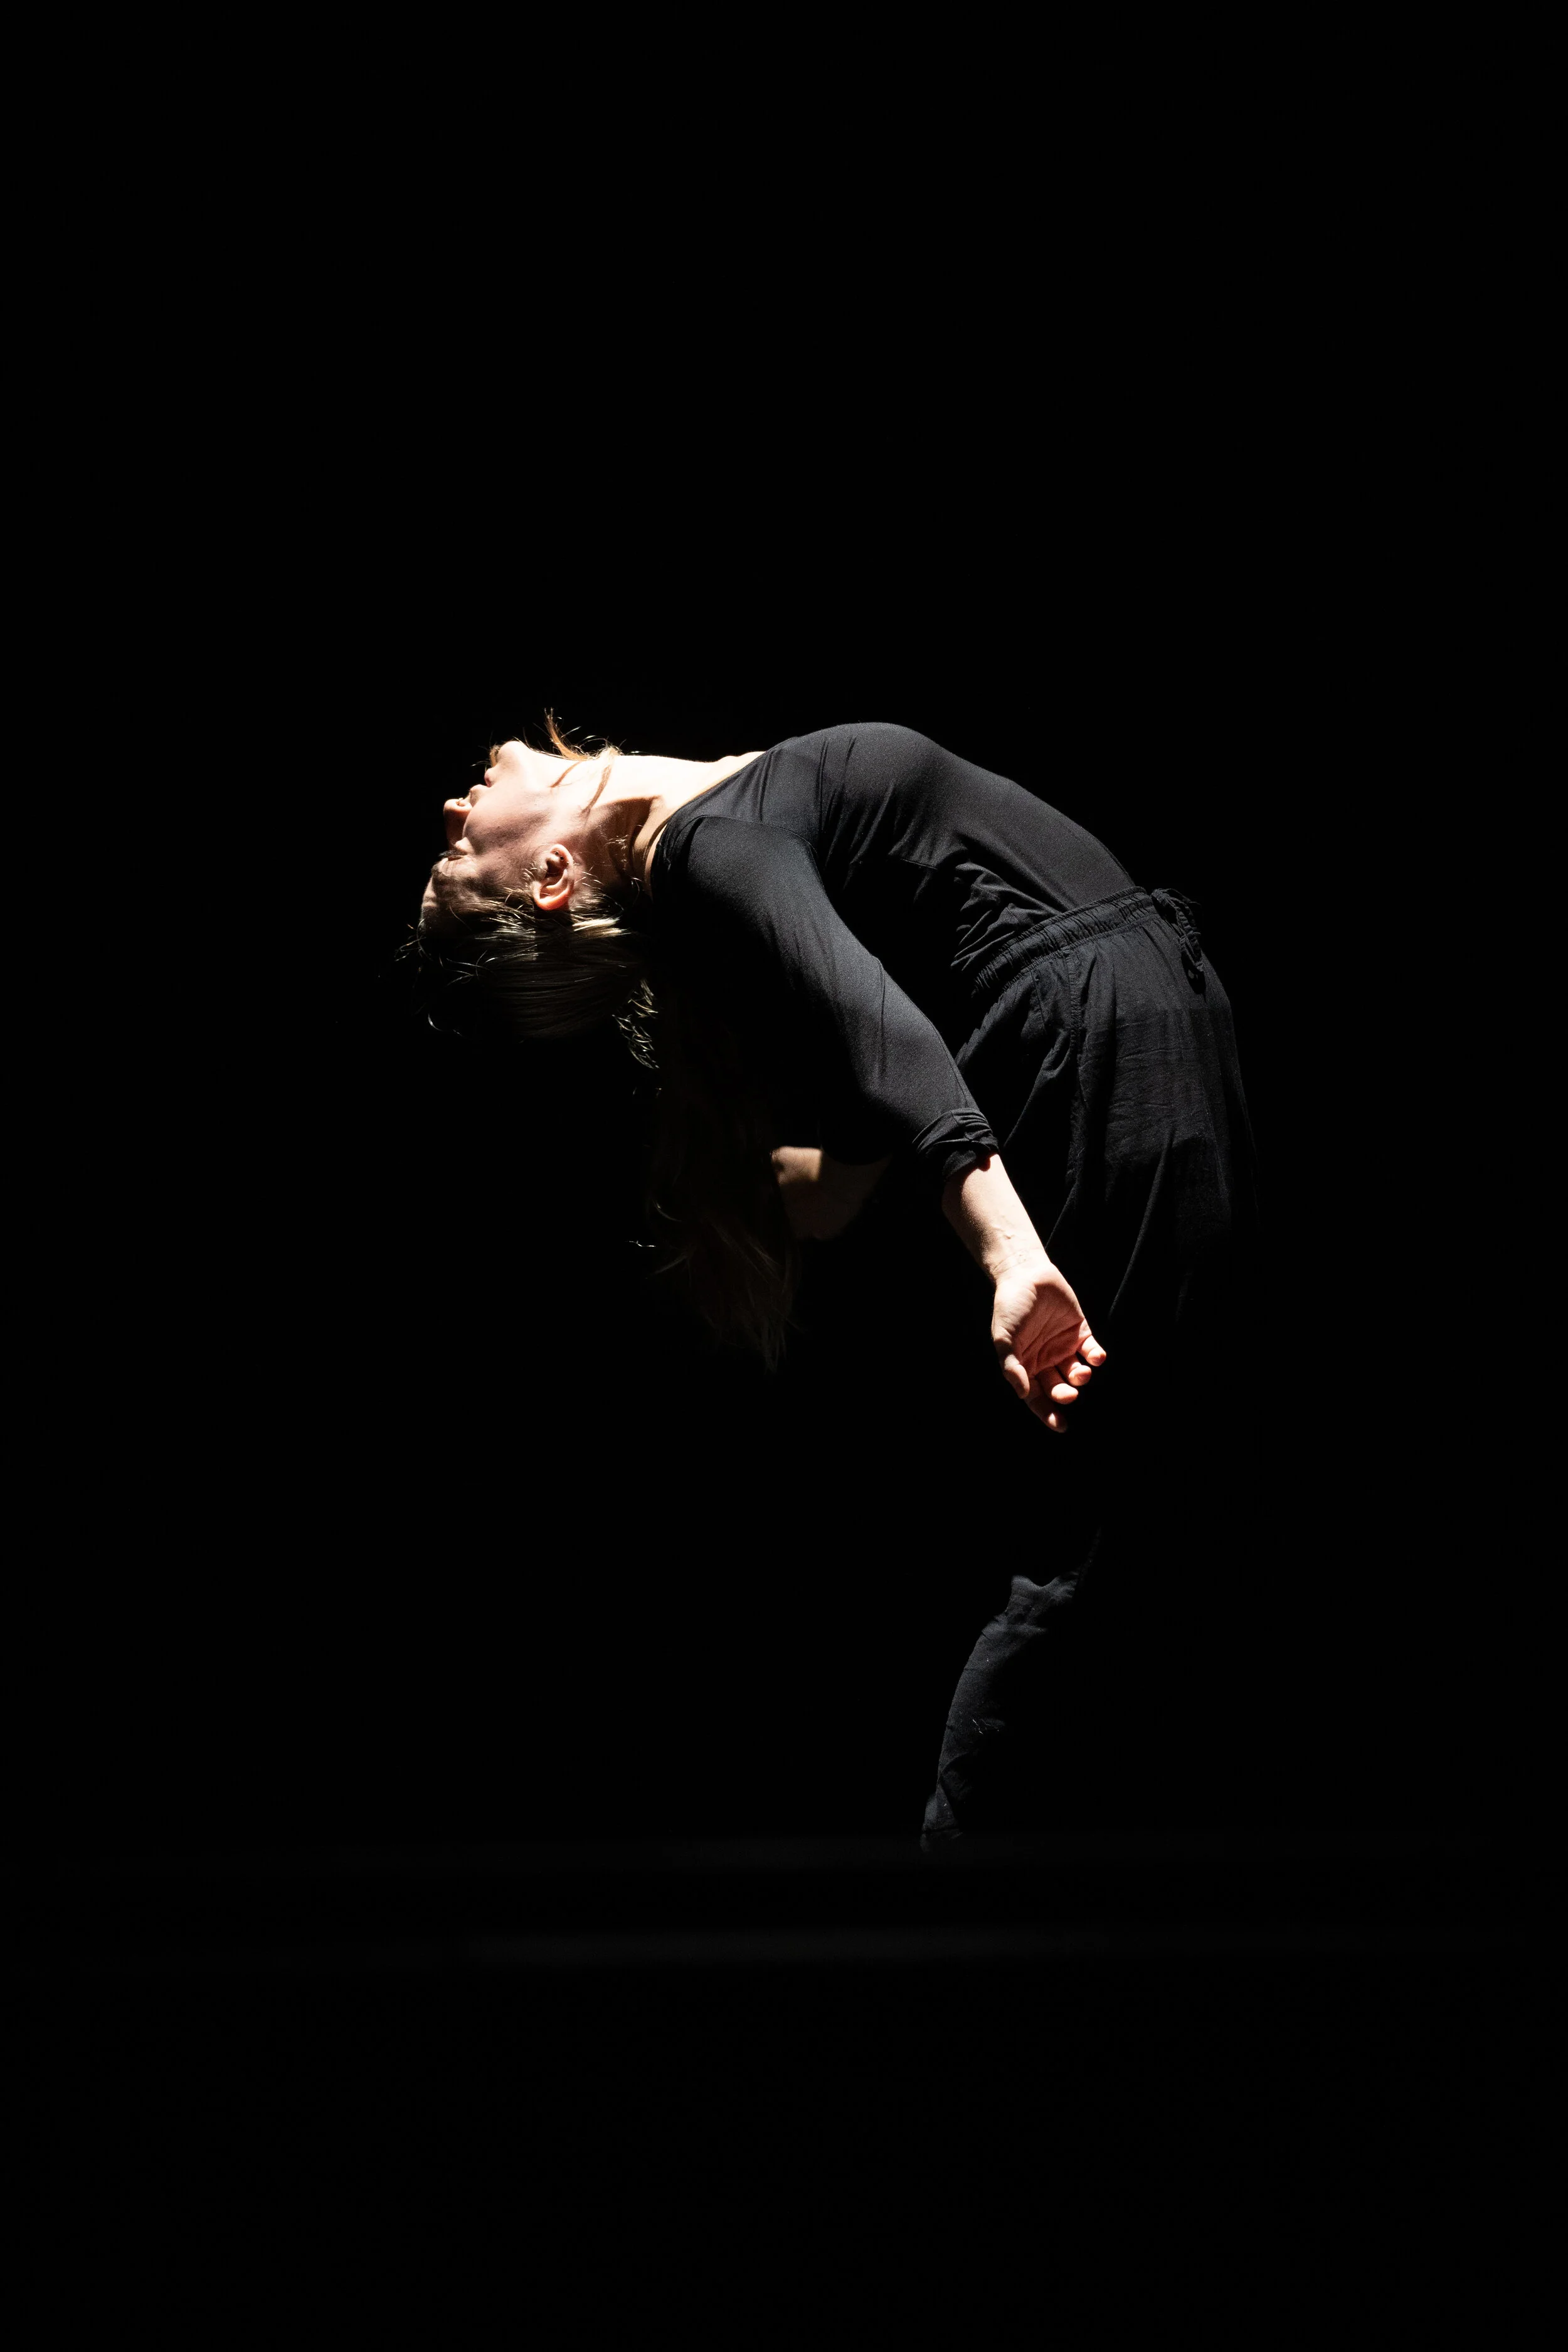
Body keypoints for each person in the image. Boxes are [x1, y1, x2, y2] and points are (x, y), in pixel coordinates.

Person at [411, 719, 1261, 1850]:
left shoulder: (720, 819)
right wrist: (1010, 1253)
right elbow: (875, 1022)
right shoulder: (704, 846)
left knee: (1155, 1515)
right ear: (553, 877)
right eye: (459, 856)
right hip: (1109, 1045)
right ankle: (974, 1867)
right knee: (1115, 1533)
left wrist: (851, 1173)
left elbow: (883, 1009)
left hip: (1132, 1024)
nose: (451, 812)